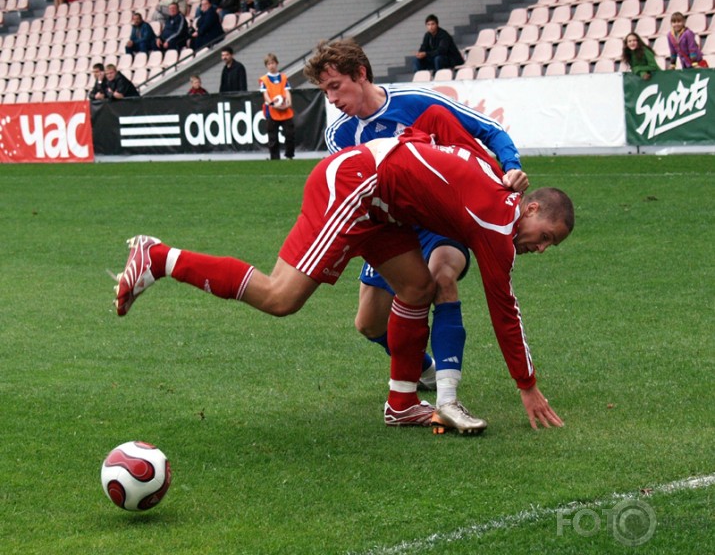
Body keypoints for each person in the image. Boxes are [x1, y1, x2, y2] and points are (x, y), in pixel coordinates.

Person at [112, 111, 573, 431]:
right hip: (358, 185)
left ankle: (402, 403)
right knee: (281, 297)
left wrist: (412, 161)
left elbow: (436, 125)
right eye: (546, 235)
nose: (542, 247)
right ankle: (159, 258)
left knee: (416, 286)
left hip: (382, 200)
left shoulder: (494, 175)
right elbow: (504, 311)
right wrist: (527, 387)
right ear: (530, 208)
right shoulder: (498, 225)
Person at [303, 38, 528, 433]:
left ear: (361, 74)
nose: (331, 99)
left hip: (440, 221)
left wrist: (510, 167)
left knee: (442, 280)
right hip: (391, 230)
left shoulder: (418, 102)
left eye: (335, 86)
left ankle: (448, 398)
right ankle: (422, 368)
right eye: (324, 91)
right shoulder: (339, 135)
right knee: (369, 325)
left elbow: (489, 130)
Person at [259, 53, 295, 160]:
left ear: (277, 63)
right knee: (273, 136)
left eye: (273, 63)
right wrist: (272, 104)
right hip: (272, 111)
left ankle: (289, 155)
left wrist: (288, 102)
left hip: (285, 110)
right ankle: (274, 158)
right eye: (269, 64)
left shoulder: (283, 77)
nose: (271, 66)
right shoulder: (264, 79)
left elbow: (287, 91)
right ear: (266, 66)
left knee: (290, 134)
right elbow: (265, 94)